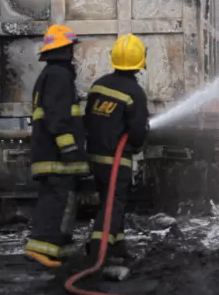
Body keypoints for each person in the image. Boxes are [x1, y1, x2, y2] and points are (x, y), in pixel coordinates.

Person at [25, 24, 90, 268]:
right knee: (56, 201)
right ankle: (41, 247)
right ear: (64, 49)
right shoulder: (59, 76)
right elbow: (57, 116)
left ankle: (56, 246)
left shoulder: (51, 75)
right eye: (71, 47)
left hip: (49, 153)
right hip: (55, 156)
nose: (73, 52)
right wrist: (69, 148)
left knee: (58, 199)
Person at [84, 33, 150, 264]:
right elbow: (137, 132)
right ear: (140, 61)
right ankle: (97, 248)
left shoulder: (98, 86)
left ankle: (118, 246)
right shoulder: (135, 93)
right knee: (115, 203)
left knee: (107, 200)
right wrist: (140, 141)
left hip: (94, 156)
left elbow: (88, 119)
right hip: (117, 159)